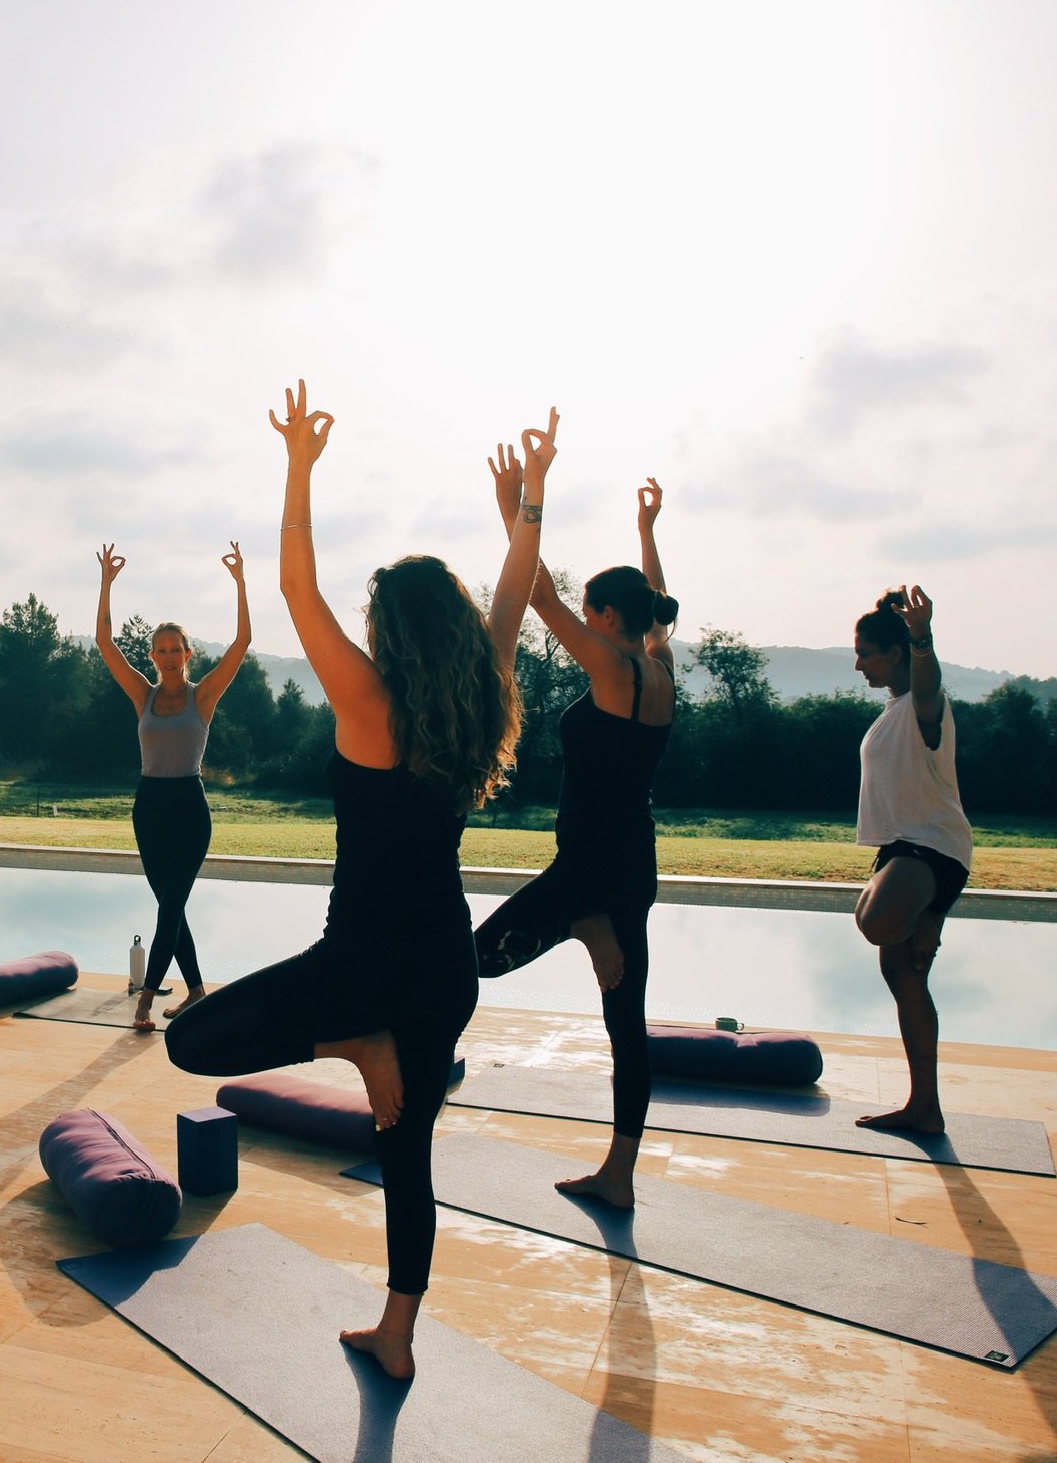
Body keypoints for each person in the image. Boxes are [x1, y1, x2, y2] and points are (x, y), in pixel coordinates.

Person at [164, 380, 547, 1381]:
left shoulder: (370, 702)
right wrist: (528, 510)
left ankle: (349, 1041)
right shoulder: (479, 697)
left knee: (190, 1040)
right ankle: (397, 1334)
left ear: (391, 627)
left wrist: (297, 467)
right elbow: (511, 593)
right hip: (442, 965)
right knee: (406, 1156)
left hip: (363, 962)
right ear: (453, 631)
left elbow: (297, 593)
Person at [474, 474, 678, 1208]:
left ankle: (585, 924)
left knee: (475, 958)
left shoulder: (610, 667)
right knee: (627, 1021)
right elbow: (653, 599)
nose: (582, 623)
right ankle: (618, 1175)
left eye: (592, 613)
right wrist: (646, 529)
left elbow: (537, 598)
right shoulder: (656, 668)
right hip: (633, 860)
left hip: (588, 866)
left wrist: (513, 507)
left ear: (606, 617)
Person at [93, 541, 252, 1031]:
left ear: (187, 653)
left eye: (175, 650)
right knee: (170, 906)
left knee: (170, 907)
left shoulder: (202, 697)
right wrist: (106, 585)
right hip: (149, 806)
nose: (168, 657)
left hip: (188, 805)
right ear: (153, 654)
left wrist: (242, 584)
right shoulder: (142, 694)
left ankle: (144, 1001)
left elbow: (242, 643)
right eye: (160, 650)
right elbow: (104, 643)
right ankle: (199, 990)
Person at [849, 585, 972, 1135]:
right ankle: (925, 1107)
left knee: (876, 923)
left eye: (866, 652)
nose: (858, 664)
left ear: (895, 653)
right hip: (901, 848)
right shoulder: (894, 709)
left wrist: (922, 638)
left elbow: (930, 682)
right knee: (903, 973)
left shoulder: (925, 704)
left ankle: (929, 921)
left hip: (932, 846)